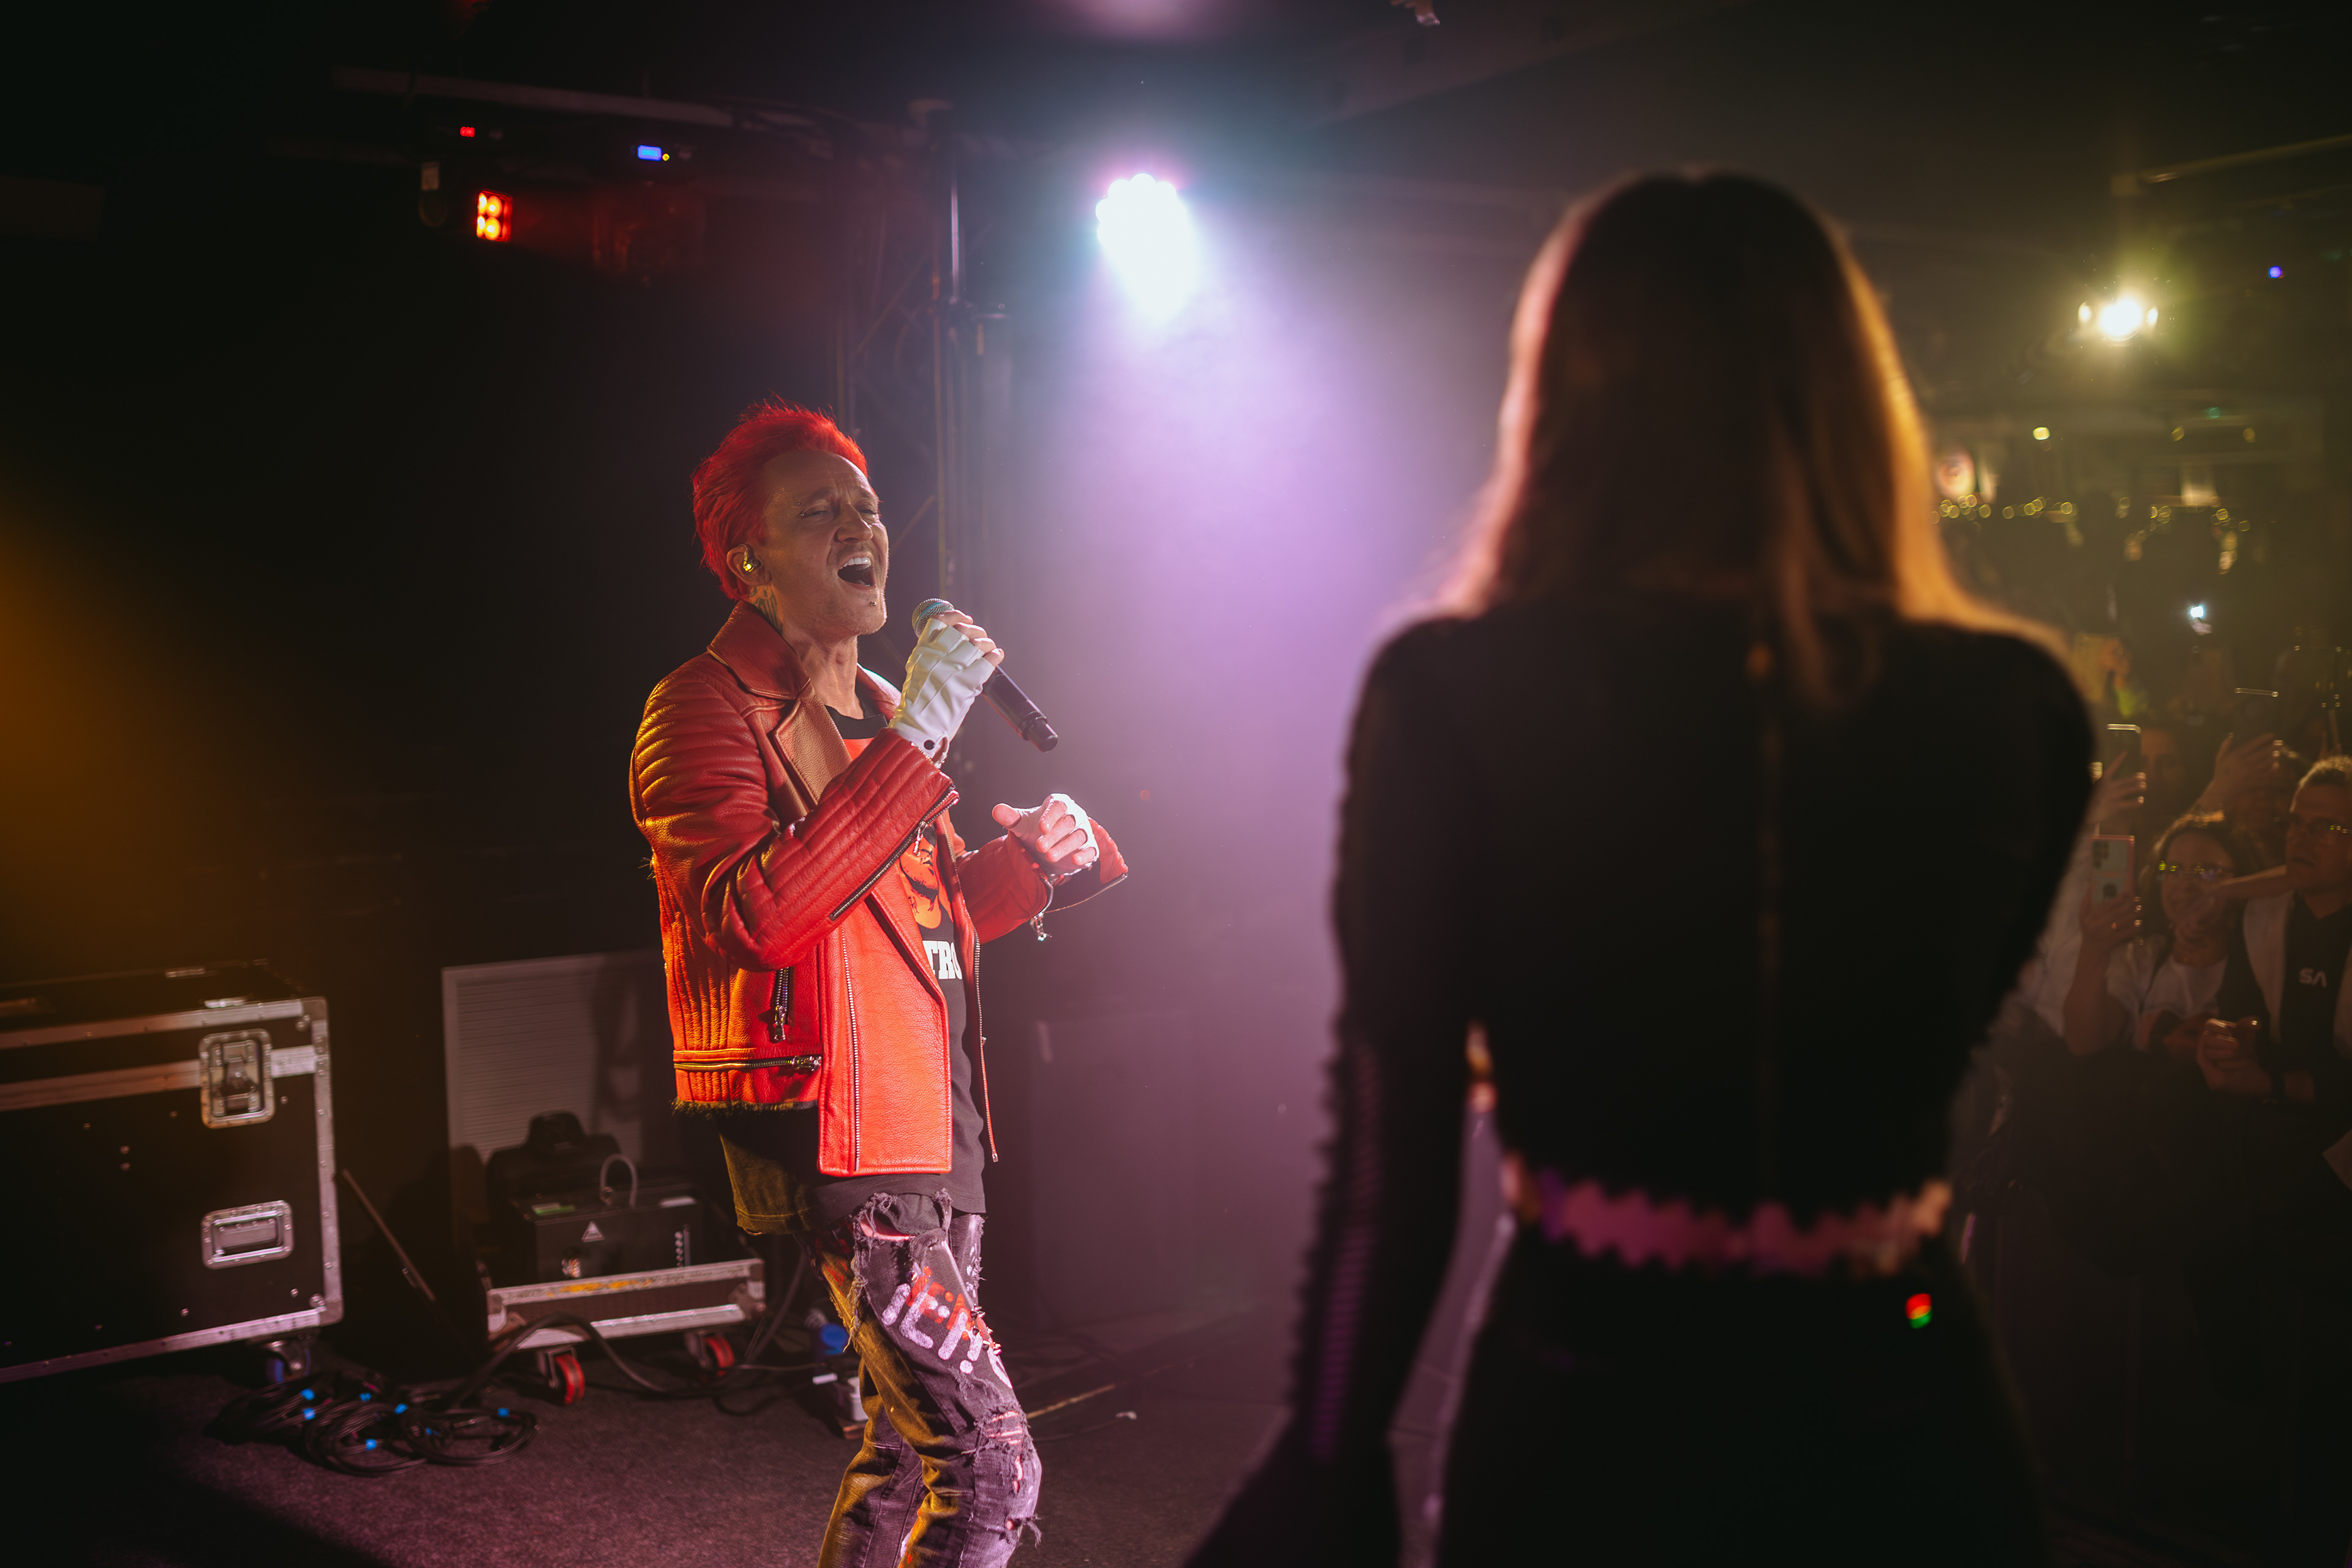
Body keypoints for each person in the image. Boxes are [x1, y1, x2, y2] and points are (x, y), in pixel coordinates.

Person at [1185, 173, 2088, 1566]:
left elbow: (1391, 1152)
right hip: (1903, 1394)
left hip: (1585, 1395)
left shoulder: (1456, 694)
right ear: (1850, 402)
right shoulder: (2016, 706)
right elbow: (1926, 1048)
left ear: (1568, 403)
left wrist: (1328, 1452)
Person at [630, 401, 1125, 1567]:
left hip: (935, 1118)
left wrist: (1034, 863)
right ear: (748, 560)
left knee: (908, 1455)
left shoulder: (890, 711)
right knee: (993, 1467)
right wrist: (929, 729)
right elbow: (759, 917)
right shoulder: (702, 706)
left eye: (868, 506)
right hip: (839, 1133)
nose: (862, 526)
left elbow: (921, 925)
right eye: (820, 511)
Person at [2062, 813, 2261, 1060]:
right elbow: (2084, 1042)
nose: (2185, 884)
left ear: (2243, 878)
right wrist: (2094, 949)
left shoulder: (2260, 961)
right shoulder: (2141, 958)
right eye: (2173, 870)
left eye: (2207, 871)